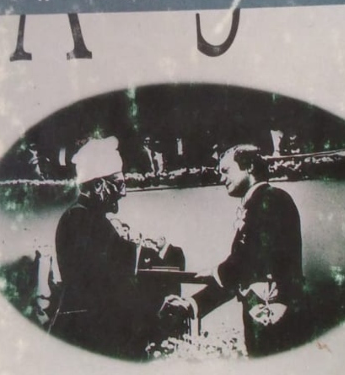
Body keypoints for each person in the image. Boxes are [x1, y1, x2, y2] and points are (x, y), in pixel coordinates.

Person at [51, 136, 186, 360]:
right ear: (98, 185)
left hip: (93, 328)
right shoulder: (79, 219)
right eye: (119, 184)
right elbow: (108, 277)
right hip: (84, 331)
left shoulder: (90, 218)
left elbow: (118, 263)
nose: (123, 192)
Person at [167, 144, 306, 357]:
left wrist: (216, 271)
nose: (221, 178)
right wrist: (193, 303)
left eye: (226, 171)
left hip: (274, 315)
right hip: (261, 313)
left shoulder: (271, 199)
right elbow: (242, 274)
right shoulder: (258, 201)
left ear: (249, 167)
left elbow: (247, 262)